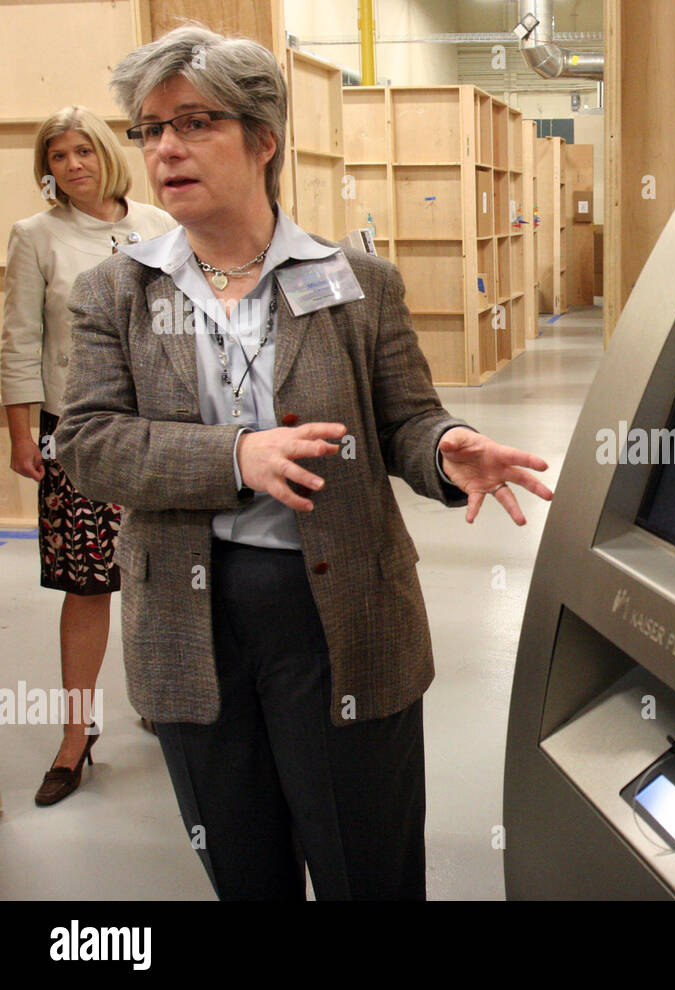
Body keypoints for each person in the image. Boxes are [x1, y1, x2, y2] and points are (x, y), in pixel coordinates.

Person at [55, 25, 553, 899]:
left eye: (195, 122)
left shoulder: (358, 282)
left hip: (341, 615)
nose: (165, 147)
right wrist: (236, 456)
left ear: (263, 138)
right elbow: (89, 445)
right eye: (149, 128)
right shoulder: (115, 292)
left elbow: (405, 419)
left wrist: (444, 448)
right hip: (188, 614)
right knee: (244, 867)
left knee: (368, 864)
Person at [2, 106, 175, 806]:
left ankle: (161, 699)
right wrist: (20, 434)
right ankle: (76, 735)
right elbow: (18, 342)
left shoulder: (159, 228)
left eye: (83, 151)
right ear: (46, 169)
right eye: (58, 156)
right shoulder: (34, 236)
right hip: (74, 433)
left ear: (107, 154)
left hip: (157, 429)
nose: (72, 165)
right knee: (87, 583)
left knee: (163, 574)